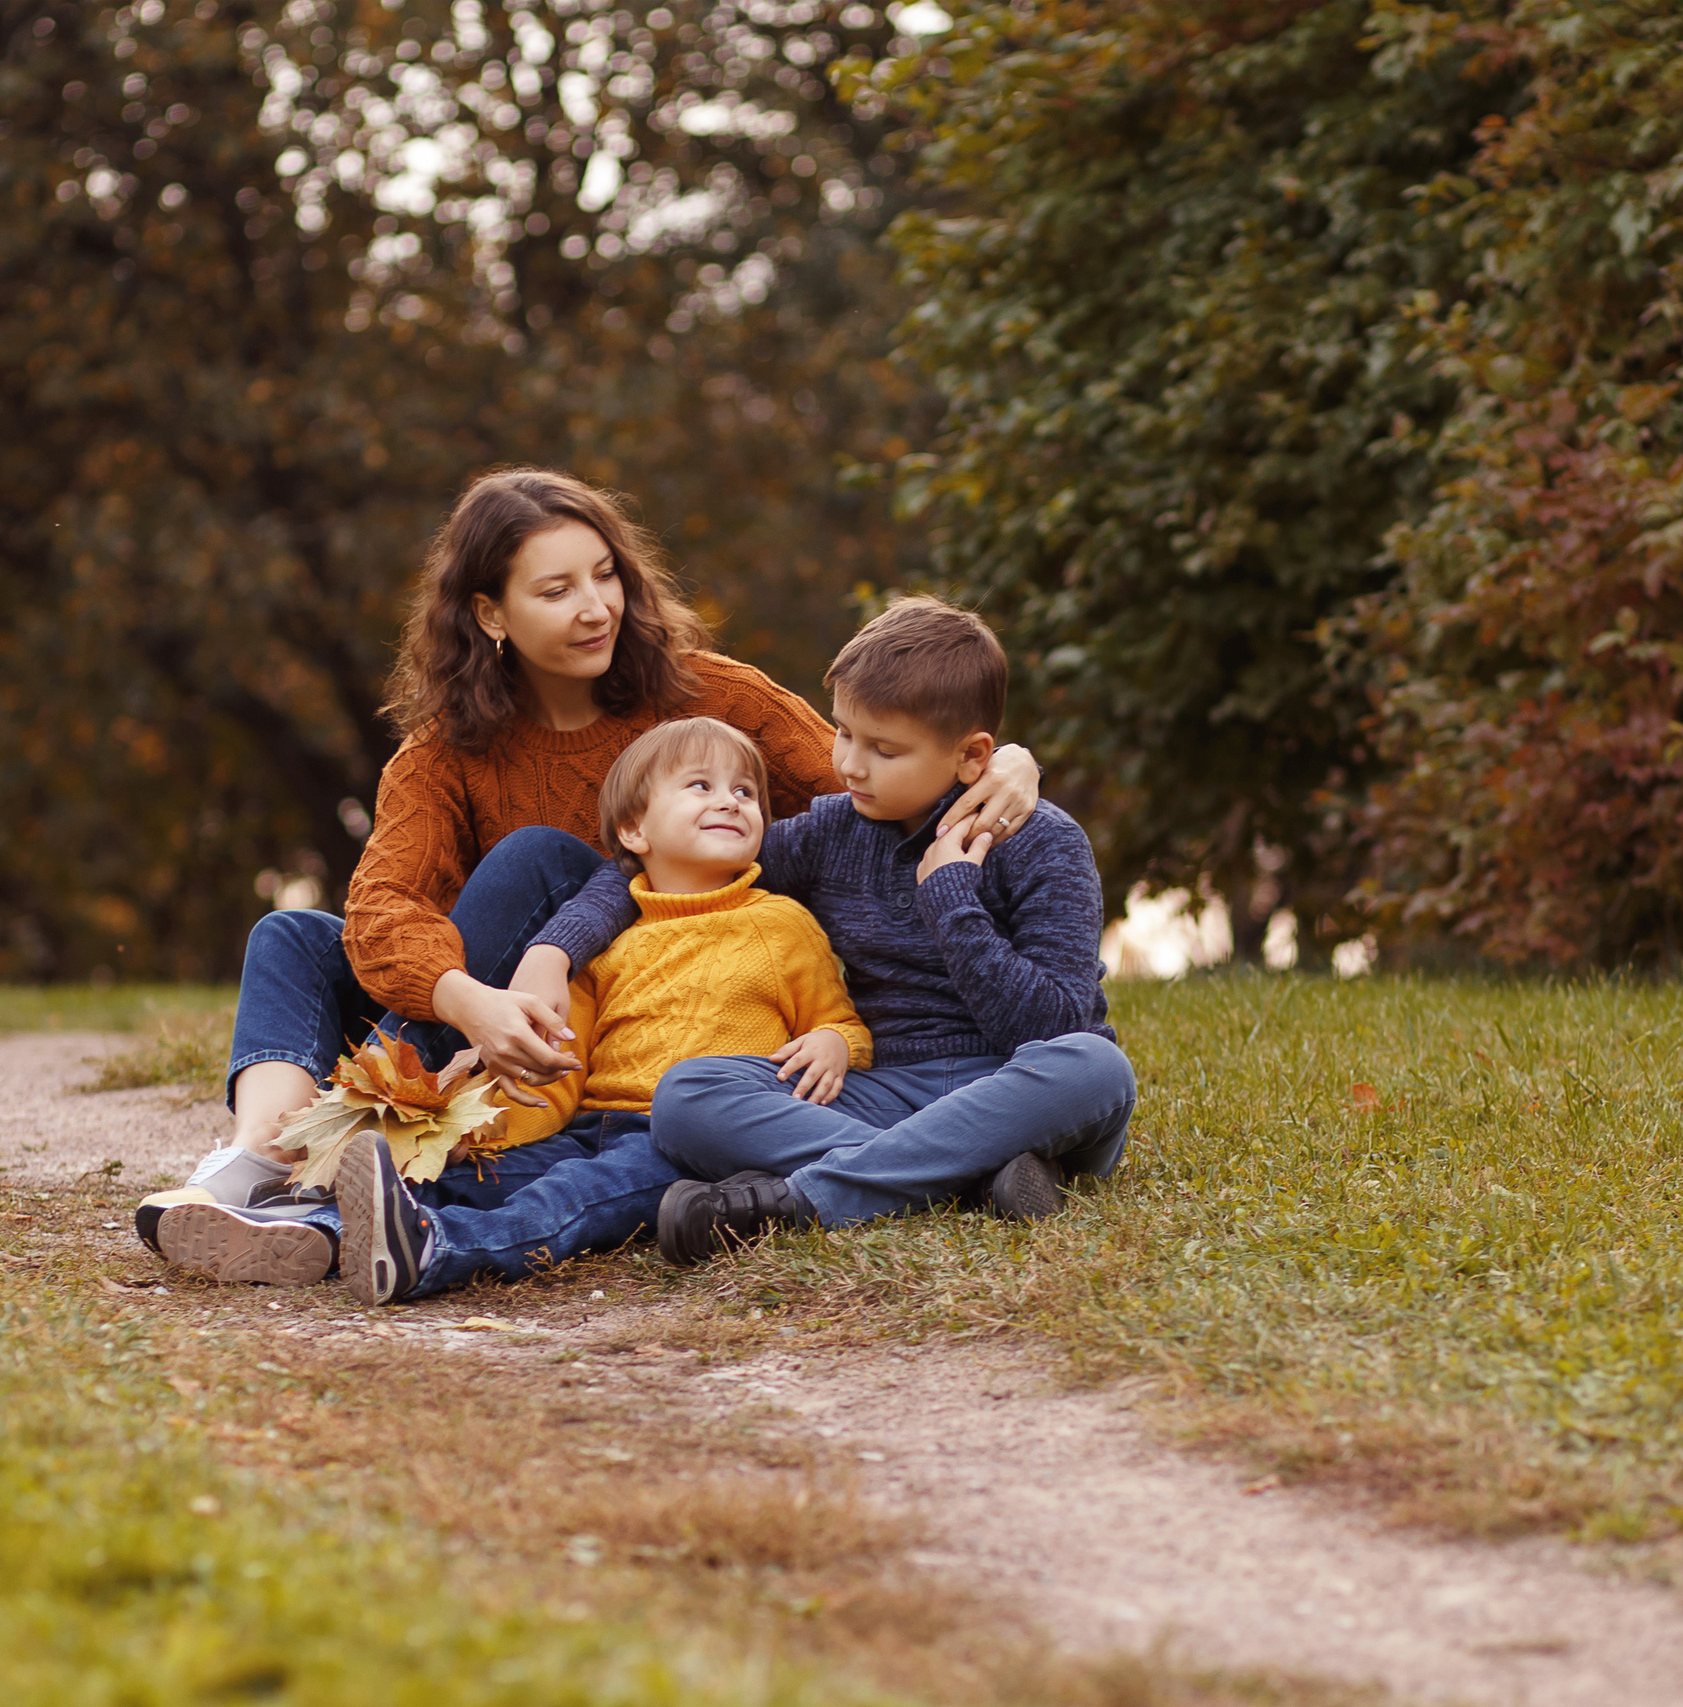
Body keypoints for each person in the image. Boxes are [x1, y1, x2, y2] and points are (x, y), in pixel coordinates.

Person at [135, 469, 1045, 1272]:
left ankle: (349, 1155)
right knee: (294, 934)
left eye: (606, 575)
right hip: (484, 1014)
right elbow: (380, 908)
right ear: (490, 613)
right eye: (557, 588)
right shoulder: (442, 752)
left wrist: (1007, 763)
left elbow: (871, 776)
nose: (596, 607)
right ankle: (262, 1158)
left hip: (603, 1017)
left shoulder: (710, 698)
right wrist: (468, 1000)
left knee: (541, 856)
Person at [518, 595, 1135, 1263]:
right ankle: (967, 1175)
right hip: (887, 1091)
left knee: (1096, 1066)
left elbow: (1051, 1025)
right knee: (687, 1094)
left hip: (1019, 1085)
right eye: (844, 733)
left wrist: (952, 898)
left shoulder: (1046, 842)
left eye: (883, 749)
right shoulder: (833, 831)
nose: (850, 764)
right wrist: (556, 949)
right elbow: (655, 867)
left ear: (972, 755)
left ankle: (804, 1195)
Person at [178, 715, 870, 1302]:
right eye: (702, 786)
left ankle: (432, 1252)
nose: (732, 801)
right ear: (634, 830)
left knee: (567, 1198)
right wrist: (502, 1125)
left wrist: (836, 1045)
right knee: (476, 1175)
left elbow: (838, 1018)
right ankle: (316, 1229)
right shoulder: (610, 940)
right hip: (591, 1122)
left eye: (746, 791)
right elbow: (565, 1060)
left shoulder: (780, 926)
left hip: (686, 1142)